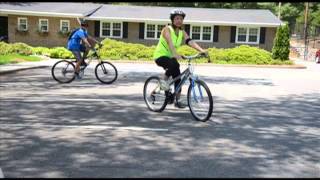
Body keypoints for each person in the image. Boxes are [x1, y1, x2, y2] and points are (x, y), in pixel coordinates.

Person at [153, 9, 208, 108]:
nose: (179, 20)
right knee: (174, 64)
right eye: (177, 18)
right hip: (160, 56)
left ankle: (177, 101)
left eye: (181, 19)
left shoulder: (182, 32)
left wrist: (201, 50)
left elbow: (189, 41)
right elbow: (170, 43)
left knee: (178, 78)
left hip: (171, 58)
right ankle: (163, 83)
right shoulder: (167, 29)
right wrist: (175, 53)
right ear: (172, 20)